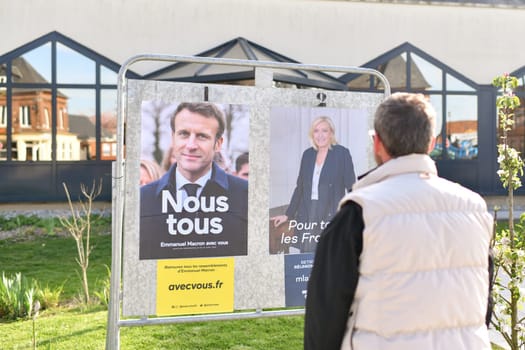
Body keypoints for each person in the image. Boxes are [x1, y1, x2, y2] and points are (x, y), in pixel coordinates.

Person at [304, 93, 493, 350]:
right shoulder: (474, 209)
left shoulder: (358, 213)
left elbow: (324, 319)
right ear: (432, 143)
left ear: (377, 143)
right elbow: (483, 308)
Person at [140, 102, 248, 259]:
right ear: (173, 138)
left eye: (202, 136)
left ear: (218, 144)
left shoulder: (245, 195)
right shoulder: (144, 199)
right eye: (183, 134)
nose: (191, 145)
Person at [270, 116, 355, 253]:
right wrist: (288, 214)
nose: (320, 135)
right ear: (312, 134)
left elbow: (351, 186)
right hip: (308, 211)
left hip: (330, 210)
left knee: (328, 253)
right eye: (316, 131)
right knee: (307, 254)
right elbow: (300, 188)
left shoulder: (342, 153)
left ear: (331, 133)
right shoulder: (307, 155)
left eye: (324, 131)